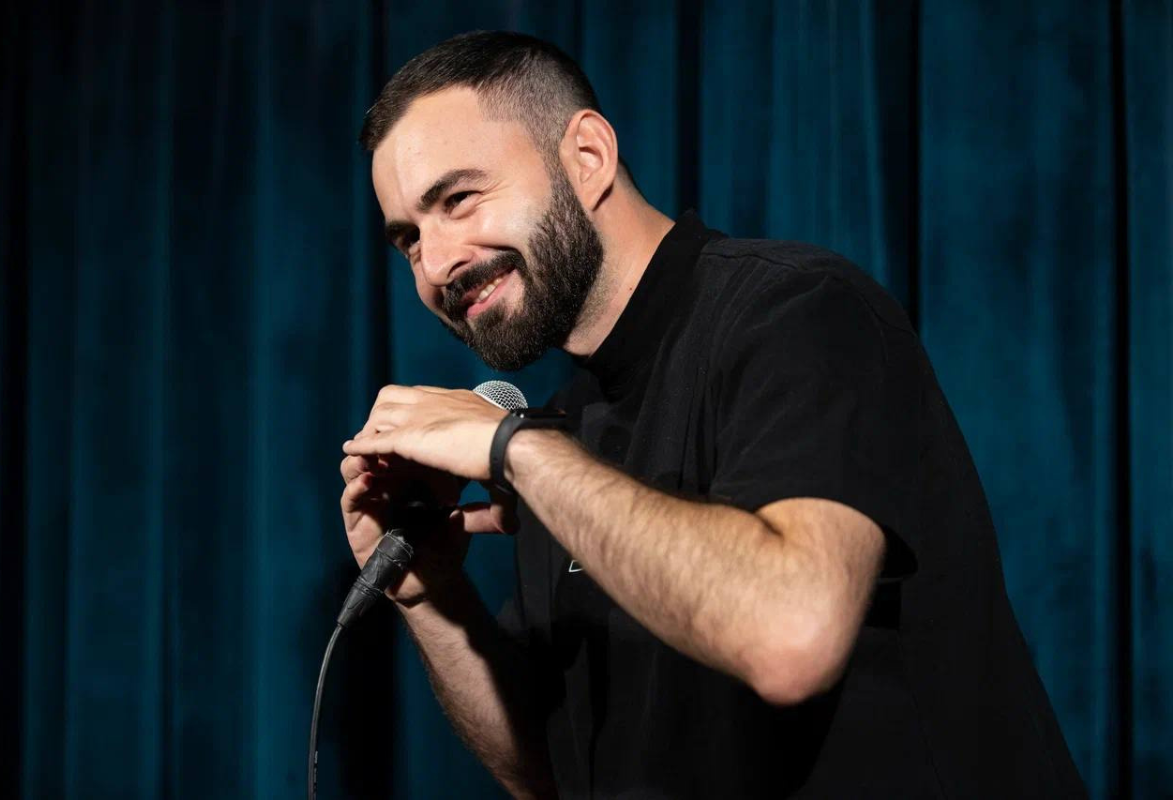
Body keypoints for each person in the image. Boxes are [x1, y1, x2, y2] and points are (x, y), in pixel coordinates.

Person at [338, 30, 1086, 799]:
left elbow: (792, 637)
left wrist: (516, 452)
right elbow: (553, 777)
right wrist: (431, 594)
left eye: (458, 200)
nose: (436, 265)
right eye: (409, 240)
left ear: (588, 158)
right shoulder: (559, 429)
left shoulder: (796, 311)